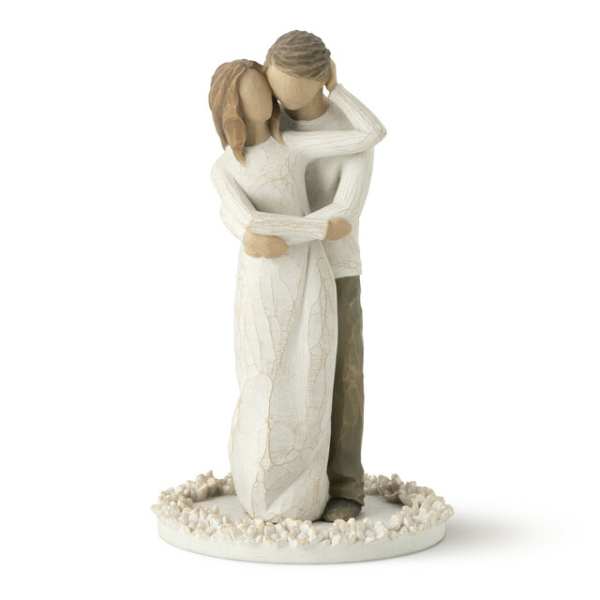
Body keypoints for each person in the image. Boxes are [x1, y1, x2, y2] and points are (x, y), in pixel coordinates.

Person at [210, 59, 385, 522]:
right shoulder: (225, 167)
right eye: (257, 88)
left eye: (266, 86)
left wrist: (336, 87)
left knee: (312, 374)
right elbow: (246, 219)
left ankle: (312, 489)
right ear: (232, 103)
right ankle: (260, 484)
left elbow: (369, 136)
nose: (269, 96)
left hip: (314, 271)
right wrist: (312, 230)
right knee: (264, 374)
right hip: (265, 279)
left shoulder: (292, 144)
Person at [263, 31, 382, 521]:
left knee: (342, 375)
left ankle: (345, 484)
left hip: (334, 268)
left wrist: (282, 231)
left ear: (321, 80)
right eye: (274, 86)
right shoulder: (268, 124)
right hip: (280, 270)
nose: (280, 99)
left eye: (289, 88)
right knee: (283, 375)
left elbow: (344, 212)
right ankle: (287, 479)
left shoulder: (350, 133)